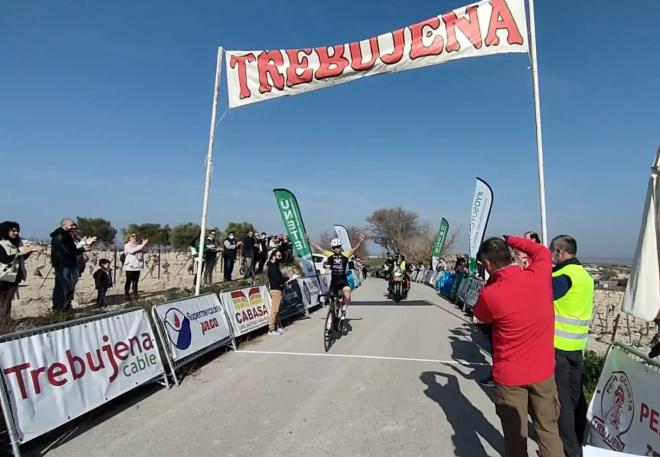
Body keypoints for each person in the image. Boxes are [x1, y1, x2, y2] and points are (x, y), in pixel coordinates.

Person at [473, 236, 563, 457]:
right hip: (542, 371)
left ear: (487, 264)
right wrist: (512, 239)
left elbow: (480, 316)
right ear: (510, 254)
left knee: (516, 438)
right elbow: (541, 251)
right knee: (548, 431)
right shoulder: (540, 275)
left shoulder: (491, 293)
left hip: (511, 376)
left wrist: (493, 280)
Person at [550, 235, 594, 457]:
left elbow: (541, 298)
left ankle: (570, 450)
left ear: (560, 252)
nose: (552, 258)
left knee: (562, 401)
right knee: (574, 397)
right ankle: (578, 440)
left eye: (553, 253)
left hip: (559, 346)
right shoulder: (585, 276)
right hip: (578, 346)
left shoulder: (563, 276)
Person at [310, 234, 365, 321]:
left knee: (347, 295)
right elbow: (319, 248)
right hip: (334, 282)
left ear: (340, 247)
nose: (337, 249)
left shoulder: (346, 254)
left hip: (343, 281)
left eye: (338, 247)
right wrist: (309, 241)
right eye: (335, 247)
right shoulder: (330, 254)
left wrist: (360, 241)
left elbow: (354, 249)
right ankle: (334, 314)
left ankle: (344, 310)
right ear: (332, 248)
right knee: (333, 300)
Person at [51, 219, 93, 311]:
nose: (74, 227)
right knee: (62, 286)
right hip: (63, 264)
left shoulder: (67, 235)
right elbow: (67, 251)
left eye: (74, 225)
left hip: (70, 264)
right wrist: (83, 249)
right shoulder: (60, 235)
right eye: (72, 225)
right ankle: (58, 308)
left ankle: (66, 306)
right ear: (64, 225)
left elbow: (72, 249)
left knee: (69, 286)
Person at [0, 221, 40, 319]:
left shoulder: (18, 242)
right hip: (2, 277)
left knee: (7, 301)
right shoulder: (1, 243)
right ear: (6, 231)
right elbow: (4, 259)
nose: (16, 233)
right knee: (2, 301)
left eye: (17, 231)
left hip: (14, 277)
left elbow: (21, 258)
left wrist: (29, 251)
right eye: (13, 231)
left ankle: (5, 321)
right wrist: (21, 253)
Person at [267, 249, 292, 335]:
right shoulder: (273, 267)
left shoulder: (275, 266)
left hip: (277, 289)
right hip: (275, 290)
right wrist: (287, 278)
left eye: (280, 256)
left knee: (277, 310)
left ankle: (276, 327)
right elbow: (278, 280)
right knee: (274, 309)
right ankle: (271, 329)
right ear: (273, 256)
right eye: (278, 256)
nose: (280, 257)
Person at [123, 233, 148, 301]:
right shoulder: (127, 245)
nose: (135, 237)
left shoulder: (139, 245)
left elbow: (144, 252)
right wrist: (142, 245)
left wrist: (142, 246)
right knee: (128, 280)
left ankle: (135, 294)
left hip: (137, 266)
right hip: (130, 266)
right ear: (129, 238)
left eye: (136, 236)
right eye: (133, 236)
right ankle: (126, 294)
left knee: (135, 281)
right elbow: (131, 251)